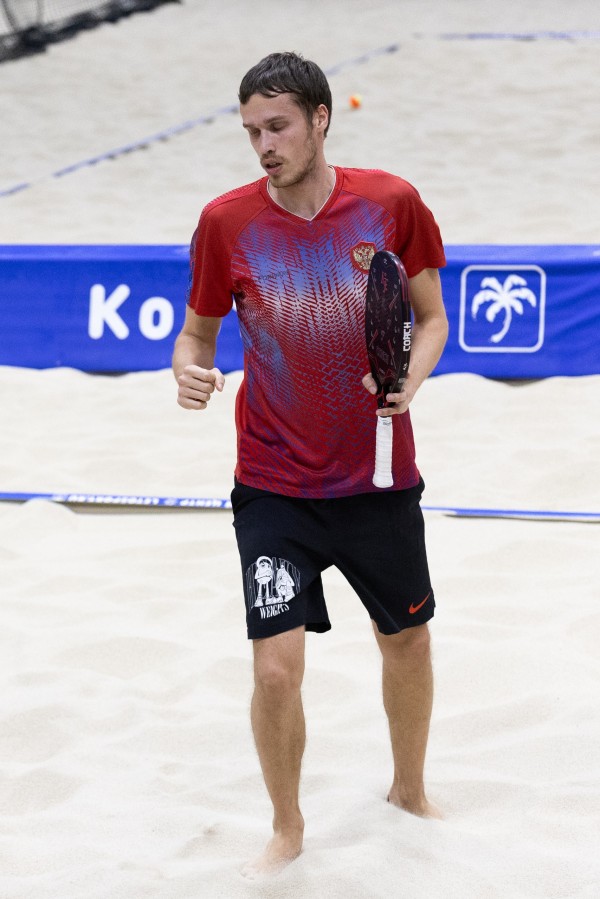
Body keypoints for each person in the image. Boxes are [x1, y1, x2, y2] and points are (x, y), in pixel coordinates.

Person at [172, 51, 449, 878]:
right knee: (275, 671)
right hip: (273, 483)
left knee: (406, 640)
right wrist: (188, 370)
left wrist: (409, 379)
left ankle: (409, 789)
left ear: (320, 119)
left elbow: (433, 318)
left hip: (377, 475)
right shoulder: (226, 222)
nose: (264, 144)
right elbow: (196, 335)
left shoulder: (391, 203)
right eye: (251, 131)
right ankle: (288, 827)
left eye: (278, 126)